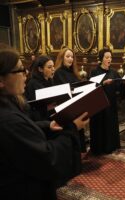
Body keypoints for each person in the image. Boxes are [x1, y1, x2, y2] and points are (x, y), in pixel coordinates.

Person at [0, 48, 89, 200]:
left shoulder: (8, 106)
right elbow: (48, 159)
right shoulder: (8, 119)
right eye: (20, 70)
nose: (26, 74)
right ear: (1, 80)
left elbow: (26, 129)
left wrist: (48, 125)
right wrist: (73, 128)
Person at [53, 47, 87, 153]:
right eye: (67, 56)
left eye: (72, 57)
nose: (70, 59)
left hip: (75, 105)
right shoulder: (58, 73)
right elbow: (63, 91)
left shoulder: (73, 72)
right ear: (62, 58)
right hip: (66, 108)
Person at [89, 48, 121, 155]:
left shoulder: (114, 72)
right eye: (107, 57)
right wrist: (103, 84)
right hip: (99, 104)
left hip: (111, 103)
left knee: (110, 124)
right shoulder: (95, 72)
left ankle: (110, 146)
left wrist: (123, 83)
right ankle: (100, 148)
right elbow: (91, 88)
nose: (109, 59)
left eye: (110, 57)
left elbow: (118, 86)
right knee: (100, 126)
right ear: (101, 59)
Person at [25, 55, 55, 121]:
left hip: (48, 113)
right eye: (49, 67)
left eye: (53, 66)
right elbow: (38, 106)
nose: (53, 69)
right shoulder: (33, 83)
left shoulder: (49, 80)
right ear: (40, 69)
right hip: (39, 118)